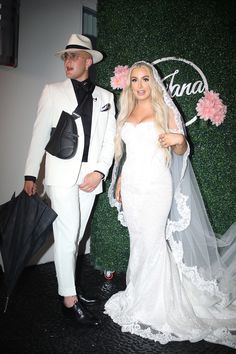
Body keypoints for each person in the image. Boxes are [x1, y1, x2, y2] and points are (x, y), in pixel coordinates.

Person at [105, 61, 236, 348]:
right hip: (132, 184)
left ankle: (157, 307)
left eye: (145, 79)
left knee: (153, 242)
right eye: (135, 80)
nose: (140, 85)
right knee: (138, 241)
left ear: (154, 82)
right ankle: (139, 295)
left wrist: (179, 139)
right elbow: (129, 152)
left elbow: (181, 148)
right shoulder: (126, 111)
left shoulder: (164, 109)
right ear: (130, 85)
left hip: (156, 186)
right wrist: (119, 179)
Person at [24, 34, 116, 326]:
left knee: (74, 238)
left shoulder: (106, 97)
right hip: (61, 173)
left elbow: (110, 142)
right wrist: (30, 173)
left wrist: (100, 171)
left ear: (88, 60)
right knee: (67, 235)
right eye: (65, 56)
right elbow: (39, 134)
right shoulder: (52, 91)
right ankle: (68, 300)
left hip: (90, 175)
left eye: (74, 56)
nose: (68, 61)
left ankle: (70, 288)